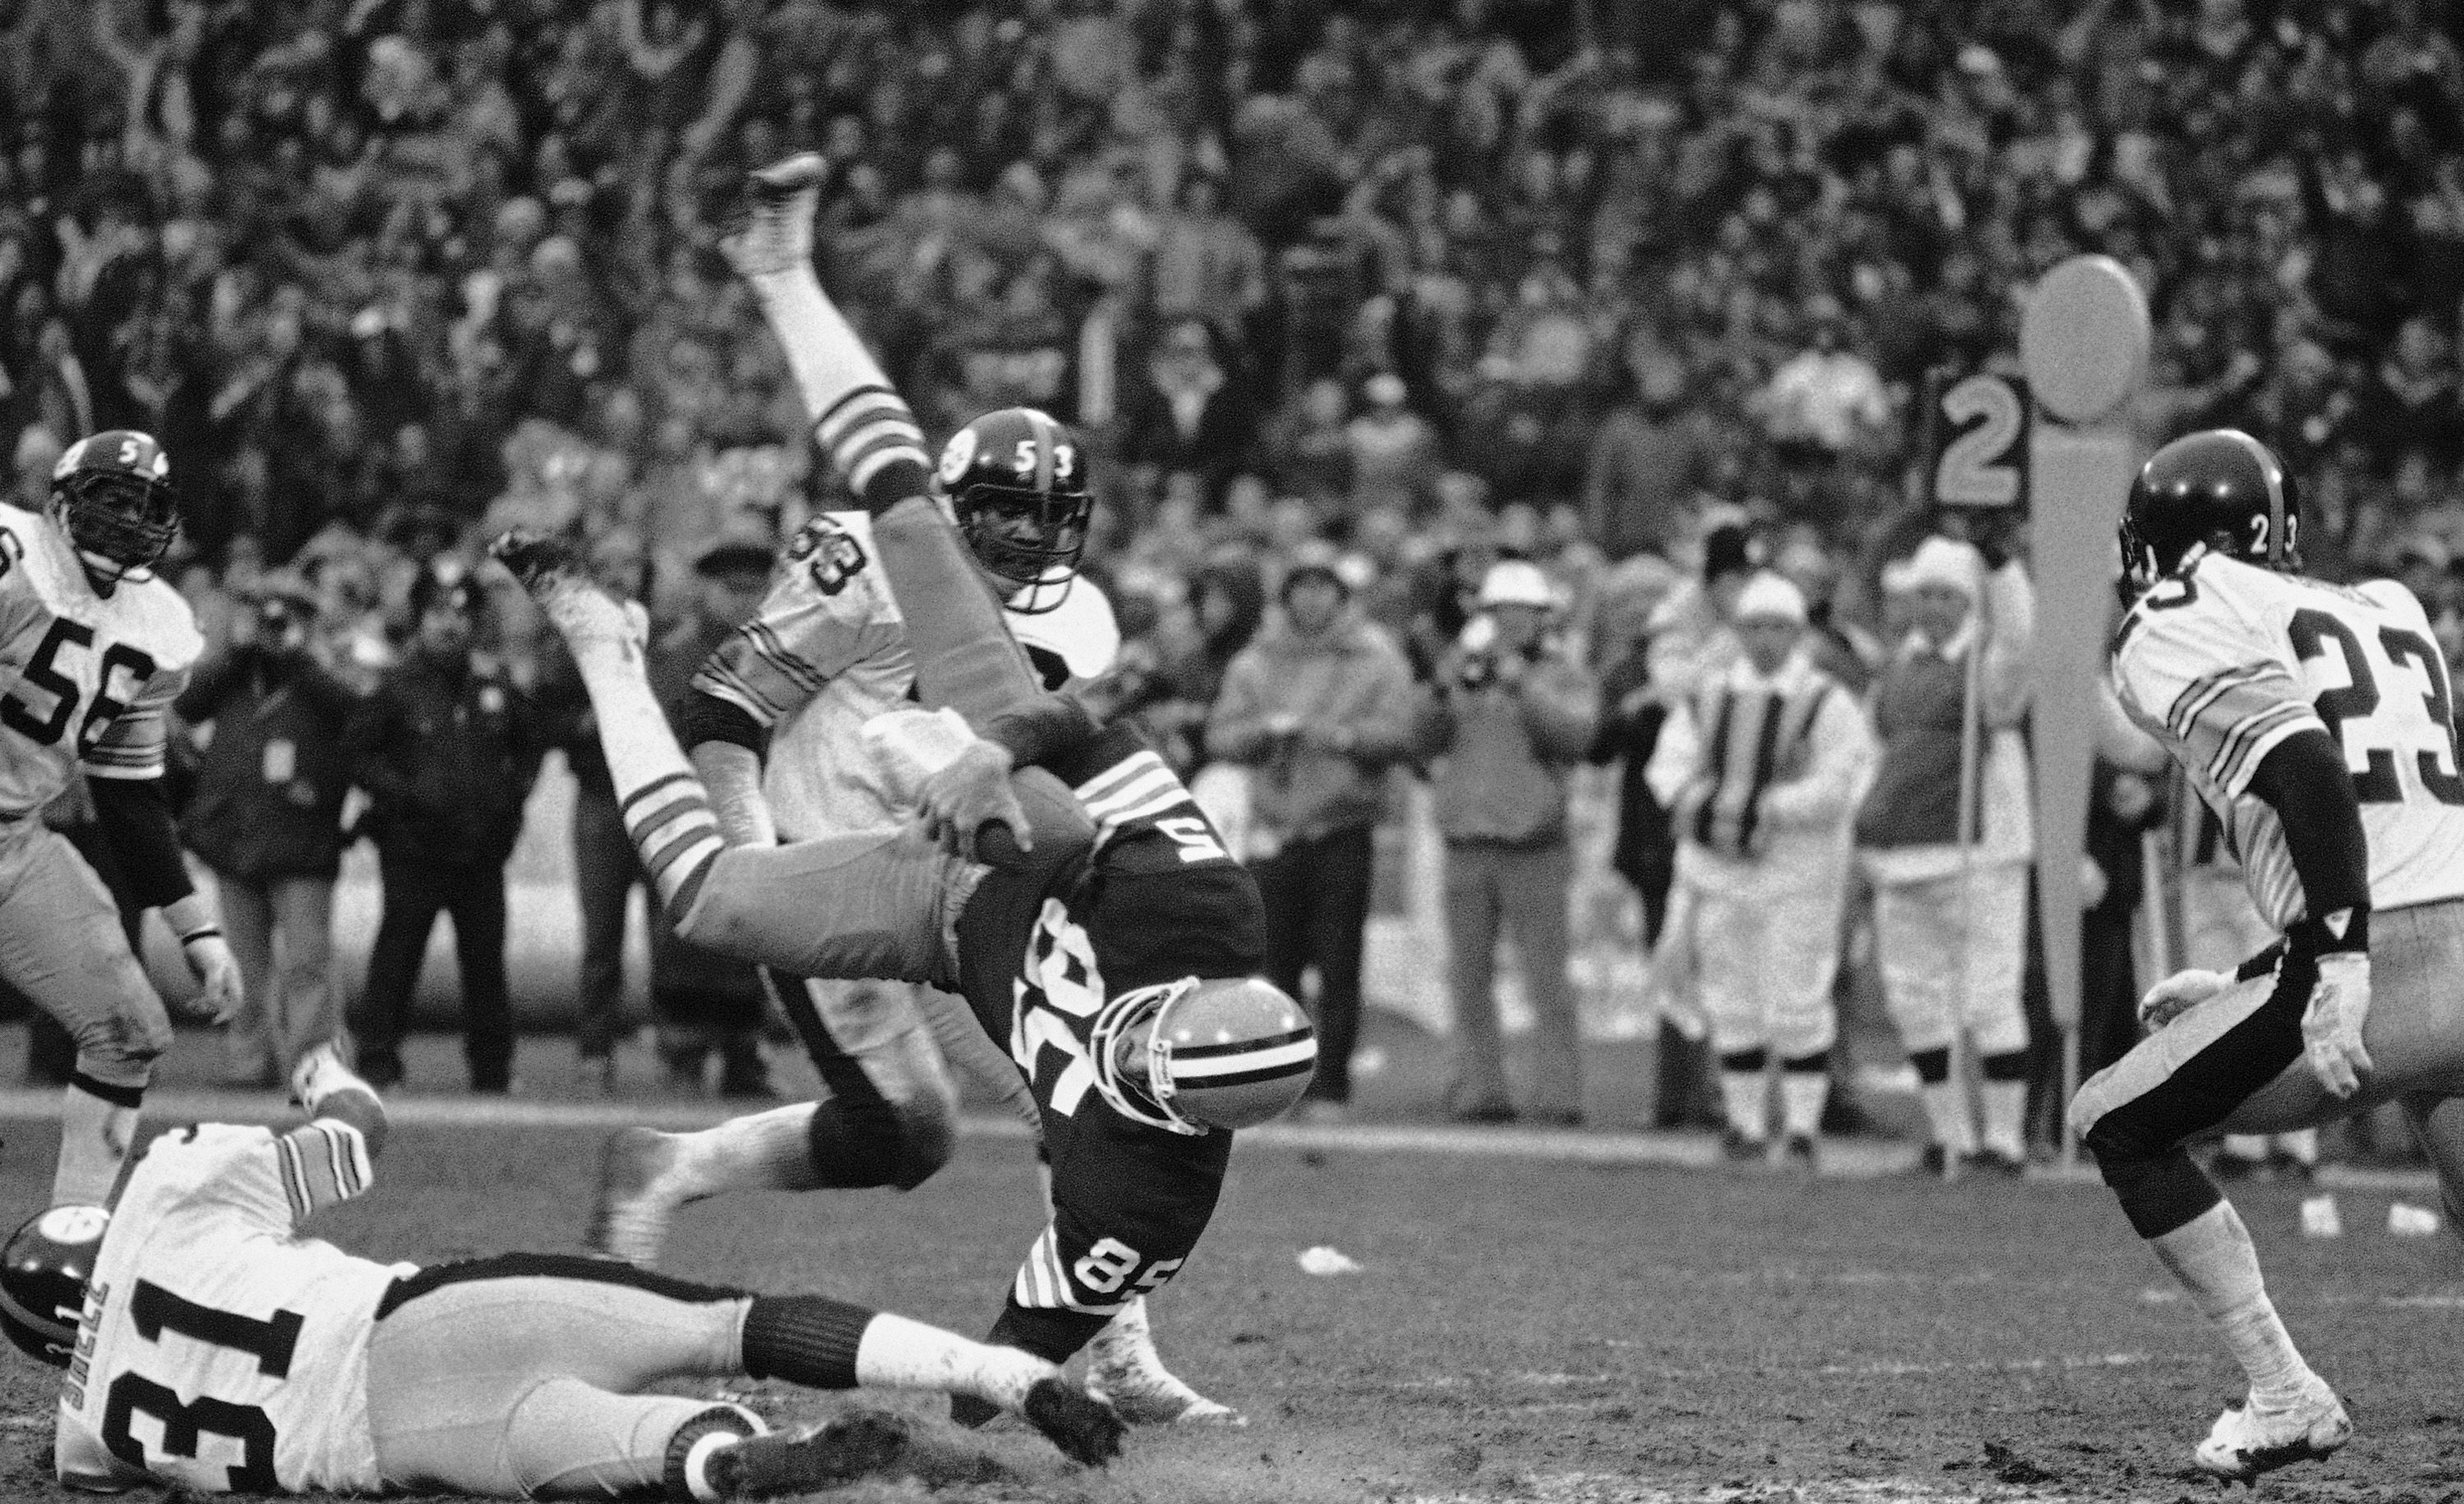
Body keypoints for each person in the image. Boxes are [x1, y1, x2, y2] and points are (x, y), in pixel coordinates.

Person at [498, 154, 1313, 1427]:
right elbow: (733, 706)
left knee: (996, 1120)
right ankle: (769, 299)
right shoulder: (1184, 886)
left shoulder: (1149, 1183)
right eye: (1002, 514)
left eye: (1051, 521)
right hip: (916, 850)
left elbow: (993, 1379)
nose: (1030, 543)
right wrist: (804, 823)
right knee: (897, 1093)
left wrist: (1024, 1377)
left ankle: (1112, 1346)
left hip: (985, 896)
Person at [0, 1045, 1124, 1499]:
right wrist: (325, 1071)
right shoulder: (164, 1184)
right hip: (422, 1320)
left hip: (395, 1450)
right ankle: (1012, 1375)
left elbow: (86, 1467)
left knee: (631, 1449)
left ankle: (734, 1458)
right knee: (731, 1322)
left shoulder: (87, 1421)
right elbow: (360, 1130)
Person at [2077, 427, 2464, 1480]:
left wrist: (2330, 965)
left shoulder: (2177, 613)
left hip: (2378, 965)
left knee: (2116, 1120)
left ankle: (2285, 1393)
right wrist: (2260, 976)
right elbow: (2405, 828)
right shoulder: (2386, 604)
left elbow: (2306, 769)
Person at [0, 430, 240, 1208]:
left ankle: (70, 1248)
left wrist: (196, 929)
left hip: (13, 839)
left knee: (129, 1033)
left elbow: (131, 792)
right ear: (62, 501)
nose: (128, 522)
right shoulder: (13, 553)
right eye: (111, 502)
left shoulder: (159, 625)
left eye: (146, 508)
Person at [1646, 573, 1873, 1166]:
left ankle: (1800, 1127)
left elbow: (1842, 778)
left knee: (1798, 994)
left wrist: (1767, 808)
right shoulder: (1708, 695)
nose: (1766, 640)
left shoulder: (1825, 700)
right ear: (1737, 631)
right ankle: (1745, 1124)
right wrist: (1708, 807)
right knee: (1731, 993)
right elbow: (1667, 770)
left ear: (1797, 633)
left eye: (1778, 628)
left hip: (1796, 868)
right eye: (1754, 628)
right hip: (1720, 869)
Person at [1206, 542, 1417, 1121]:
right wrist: (1264, 734)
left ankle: (1332, 1087)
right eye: (1302, 585)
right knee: (1275, 966)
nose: (1312, 597)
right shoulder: (1256, 661)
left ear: (1343, 595)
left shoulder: (1377, 659)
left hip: (1342, 826)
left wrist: (1343, 738)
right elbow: (1221, 734)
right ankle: (1280, 1084)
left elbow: (1403, 733)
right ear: (1287, 594)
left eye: (1324, 586)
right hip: (1274, 828)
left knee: (1339, 961)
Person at [1853, 533, 2037, 1177]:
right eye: (1923, 594)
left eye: (1947, 595)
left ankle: (2005, 1140)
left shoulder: (1990, 668)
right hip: (1901, 854)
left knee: (1990, 994)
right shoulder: (1895, 668)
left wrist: (2003, 568)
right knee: (1915, 998)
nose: (1932, 607)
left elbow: (2022, 643)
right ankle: (1946, 1132)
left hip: (1978, 853)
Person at [344, 563, 549, 1094]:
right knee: (397, 955)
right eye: (437, 612)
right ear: (418, 620)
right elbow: (359, 755)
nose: (449, 624)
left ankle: (493, 1071)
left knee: (485, 963)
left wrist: (511, 800)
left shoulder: (494, 683)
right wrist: (401, 798)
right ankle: (376, 1061)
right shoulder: (393, 687)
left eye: (461, 613)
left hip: (480, 848)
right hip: (413, 847)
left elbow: (531, 742)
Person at [1415, 559, 1599, 1125]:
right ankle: (1478, 1089)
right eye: (1500, 611)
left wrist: (1527, 689)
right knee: (1468, 978)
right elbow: (1421, 740)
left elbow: (1577, 736)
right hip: (1468, 836)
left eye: (1522, 611)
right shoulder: (1467, 667)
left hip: (1534, 840)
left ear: (1542, 617)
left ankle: (1559, 1094)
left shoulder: (1562, 670)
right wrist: (1441, 692)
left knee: (1548, 978)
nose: (1510, 622)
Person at [176, 569, 360, 1088]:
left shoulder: (324, 673)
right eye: (267, 613)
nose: (276, 625)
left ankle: (314, 1065)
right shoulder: (235, 675)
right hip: (235, 842)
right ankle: (249, 1063)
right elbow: (187, 706)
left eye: (288, 614)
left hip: (302, 845)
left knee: (307, 963)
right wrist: (238, 651)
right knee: (242, 966)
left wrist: (299, 660)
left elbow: (353, 715)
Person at [646, 527, 778, 1097]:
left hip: (756, 813)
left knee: (752, 937)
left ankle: (743, 1052)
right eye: (734, 589)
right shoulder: (679, 658)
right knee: (687, 934)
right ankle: (683, 1051)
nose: (744, 601)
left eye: (755, 589)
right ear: (708, 591)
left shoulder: (777, 656)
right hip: (694, 814)